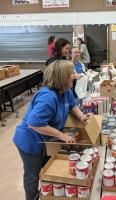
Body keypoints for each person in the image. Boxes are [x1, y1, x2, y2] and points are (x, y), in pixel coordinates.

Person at [13, 60, 90, 200]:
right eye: (70, 74)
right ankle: (32, 197)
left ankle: (50, 193)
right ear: (61, 78)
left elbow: (72, 105)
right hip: (30, 140)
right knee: (32, 173)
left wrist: (81, 116)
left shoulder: (65, 91)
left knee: (49, 166)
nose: (74, 75)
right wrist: (61, 135)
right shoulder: (48, 97)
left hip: (45, 139)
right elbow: (34, 123)